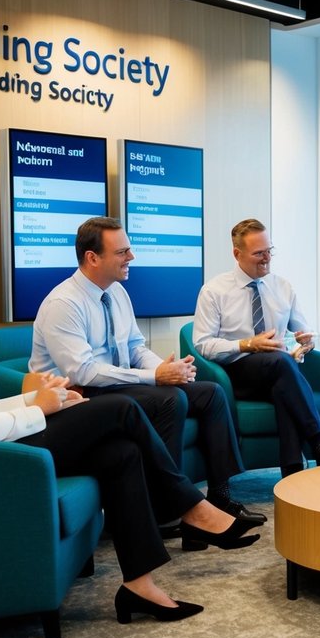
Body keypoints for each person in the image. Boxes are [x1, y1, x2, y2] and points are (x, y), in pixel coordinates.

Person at [0, 224, 261, 624]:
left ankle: (139, 586)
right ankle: (191, 507)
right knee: (122, 411)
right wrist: (38, 410)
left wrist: (43, 399)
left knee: (120, 453)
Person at [30, 217, 264, 525]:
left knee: (209, 392)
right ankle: (166, 510)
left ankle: (221, 495)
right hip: (78, 398)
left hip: (117, 386)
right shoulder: (64, 303)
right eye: (122, 252)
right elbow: (84, 372)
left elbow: (136, 347)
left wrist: (166, 368)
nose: (131, 257)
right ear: (92, 258)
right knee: (170, 399)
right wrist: (155, 378)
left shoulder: (116, 293)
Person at [192, 218, 320, 476]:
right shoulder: (214, 291)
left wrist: (307, 340)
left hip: (277, 370)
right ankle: (319, 443)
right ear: (237, 254)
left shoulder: (282, 286)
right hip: (234, 372)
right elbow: (203, 345)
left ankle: (292, 471)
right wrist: (249, 344)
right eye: (259, 253)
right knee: (281, 364)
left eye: (269, 250)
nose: (266, 258)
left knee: (283, 379)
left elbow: (303, 330)